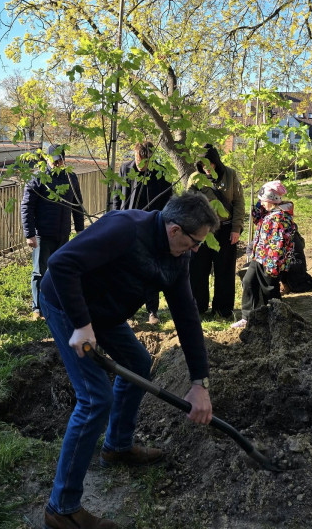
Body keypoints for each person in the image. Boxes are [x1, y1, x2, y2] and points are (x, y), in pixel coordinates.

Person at [39, 191, 218, 529]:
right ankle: (60, 509)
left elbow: (186, 315)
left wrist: (199, 382)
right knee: (95, 398)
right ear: (175, 230)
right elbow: (60, 264)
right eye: (195, 242)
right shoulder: (125, 229)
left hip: (104, 312)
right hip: (66, 303)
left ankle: (117, 447)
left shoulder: (177, 255)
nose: (196, 250)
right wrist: (81, 324)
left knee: (138, 362)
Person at [112, 141, 173, 324]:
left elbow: (168, 202)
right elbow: (117, 196)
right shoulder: (125, 169)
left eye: (144, 161)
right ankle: (127, 311)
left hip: (151, 227)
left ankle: (152, 311)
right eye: (138, 160)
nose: (140, 165)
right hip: (128, 226)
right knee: (127, 270)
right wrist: (115, 219)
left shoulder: (161, 173)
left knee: (151, 270)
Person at [21, 144, 85, 319]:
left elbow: (77, 204)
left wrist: (80, 230)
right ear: (47, 159)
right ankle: (37, 308)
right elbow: (27, 206)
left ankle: (56, 305)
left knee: (59, 271)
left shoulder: (70, 177)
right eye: (55, 161)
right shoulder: (38, 177)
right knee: (39, 272)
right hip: (43, 234)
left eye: (61, 161)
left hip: (62, 233)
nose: (58, 164)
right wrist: (30, 233)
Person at [187, 144, 244, 319]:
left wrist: (236, 228)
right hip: (202, 232)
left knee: (225, 271)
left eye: (210, 164)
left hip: (226, 230)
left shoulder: (230, 175)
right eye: (204, 164)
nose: (207, 168)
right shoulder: (195, 178)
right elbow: (188, 205)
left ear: (216, 163)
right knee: (198, 270)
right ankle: (198, 307)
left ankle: (223, 309)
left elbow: (239, 203)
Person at [232, 180, 295, 329]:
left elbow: (279, 244)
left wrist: (273, 266)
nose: (261, 203)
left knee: (270, 290)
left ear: (272, 200)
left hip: (270, 261)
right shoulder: (269, 214)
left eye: (263, 201)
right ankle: (247, 318)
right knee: (248, 281)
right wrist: (258, 204)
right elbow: (257, 220)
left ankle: (277, 321)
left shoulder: (280, 218)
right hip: (259, 256)